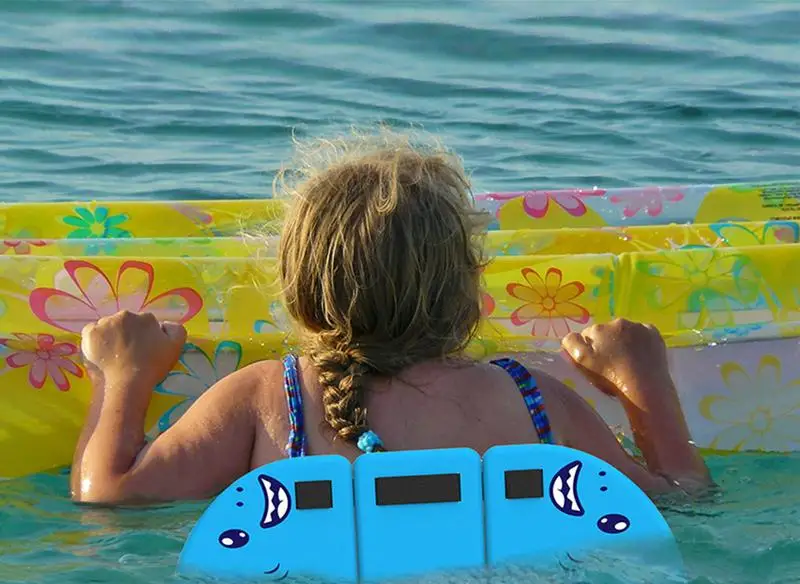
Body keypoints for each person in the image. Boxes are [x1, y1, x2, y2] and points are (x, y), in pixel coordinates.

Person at [71, 137, 711, 505]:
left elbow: (109, 495)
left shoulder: (269, 397)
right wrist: (643, 383)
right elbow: (681, 497)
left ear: (297, 291)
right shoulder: (535, 402)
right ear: (469, 294)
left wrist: (121, 376)